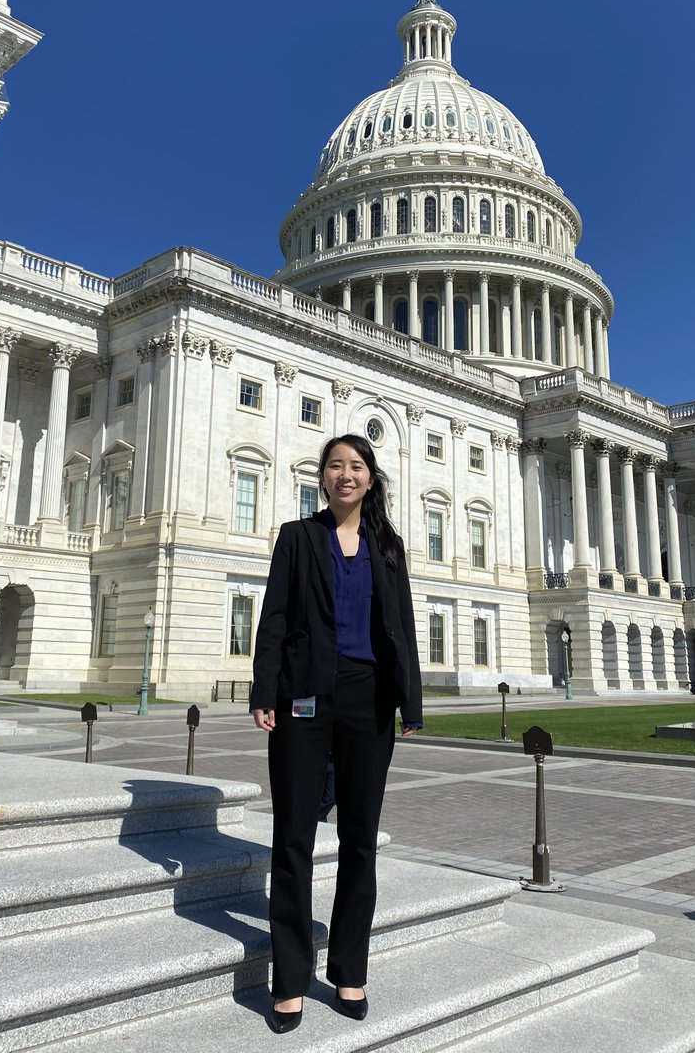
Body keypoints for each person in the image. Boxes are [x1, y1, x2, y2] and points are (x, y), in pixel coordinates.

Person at [250, 434, 422, 1034]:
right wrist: (263, 692)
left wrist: (411, 701)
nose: (345, 475)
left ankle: (350, 968)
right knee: (293, 833)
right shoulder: (298, 538)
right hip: (304, 692)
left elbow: (401, 626)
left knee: (360, 840)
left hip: (369, 697)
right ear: (321, 478)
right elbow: (274, 618)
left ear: (371, 479)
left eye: (356, 467)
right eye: (335, 466)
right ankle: (290, 978)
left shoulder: (389, 546)